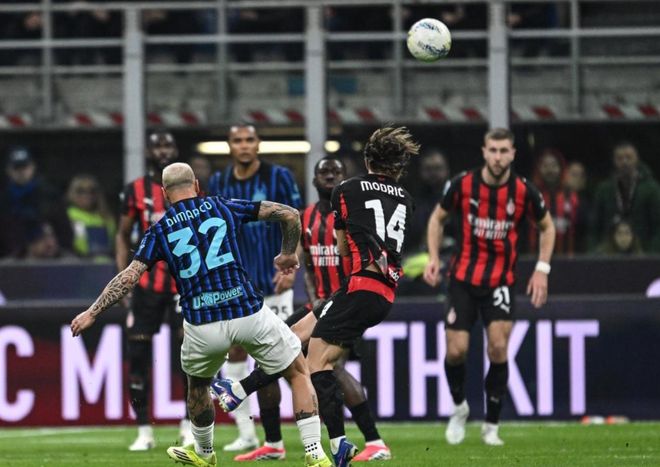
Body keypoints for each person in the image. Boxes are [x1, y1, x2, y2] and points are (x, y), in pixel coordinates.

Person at [71, 162, 332, 467]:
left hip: (202, 323)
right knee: (297, 371)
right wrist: (287, 253)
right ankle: (315, 453)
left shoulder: (160, 229)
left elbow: (129, 277)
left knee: (197, 385)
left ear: (164, 193)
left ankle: (205, 453)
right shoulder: (222, 206)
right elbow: (288, 214)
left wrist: (92, 312)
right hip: (247, 312)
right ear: (196, 184)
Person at [226, 157, 391, 462]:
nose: (329, 176)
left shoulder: (355, 217)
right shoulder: (307, 217)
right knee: (269, 351)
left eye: (336, 172)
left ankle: (374, 441)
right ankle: (274, 443)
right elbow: (303, 260)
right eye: (323, 172)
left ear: (344, 179)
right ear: (314, 181)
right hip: (317, 305)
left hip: (347, 304)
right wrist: (290, 273)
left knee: (328, 368)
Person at [423, 128, 555, 446]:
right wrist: (433, 256)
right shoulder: (463, 184)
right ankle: (459, 407)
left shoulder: (524, 191)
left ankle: (491, 426)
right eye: (493, 150)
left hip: (500, 281)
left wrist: (542, 269)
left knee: (497, 348)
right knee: (456, 351)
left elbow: (547, 227)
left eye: (503, 151)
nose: (498, 157)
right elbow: (437, 219)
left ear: (513, 154)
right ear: (484, 152)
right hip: (462, 279)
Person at [208, 123, 302, 452]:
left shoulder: (280, 177)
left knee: (282, 359)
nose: (244, 145)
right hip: (238, 286)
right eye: (238, 141)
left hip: (275, 283)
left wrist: (291, 266)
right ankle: (248, 433)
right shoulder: (218, 182)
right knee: (235, 352)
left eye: (250, 140)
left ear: (258, 144)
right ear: (229, 146)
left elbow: (296, 219)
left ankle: (305, 429)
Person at [115, 130, 192, 450]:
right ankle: (144, 429)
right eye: (157, 146)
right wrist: (124, 280)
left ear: (176, 149)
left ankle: (189, 425)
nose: (163, 151)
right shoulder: (135, 190)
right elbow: (123, 235)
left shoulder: (191, 187)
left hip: (183, 285)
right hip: (146, 285)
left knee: (189, 357)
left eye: (168, 145)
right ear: (148, 152)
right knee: (137, 356)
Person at [589, 141, 660, 253]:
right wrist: (594, 253)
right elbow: (594, 226)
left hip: (643, 252)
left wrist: (652, 254)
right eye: (620, 158)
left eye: (629, 157)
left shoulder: (651, 189)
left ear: (637, 159)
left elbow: (658, 225)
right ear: (614, 161)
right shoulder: (604, 189)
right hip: (609, 253)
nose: (625, 162)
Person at [527, 149, 582, 256]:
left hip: (569, 260)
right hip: (535, 260)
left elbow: (580, 230)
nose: (550, 170)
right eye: (545, 166)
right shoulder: (531, 197)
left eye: (554, 165)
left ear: (561, 168)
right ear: (539, 169)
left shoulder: (572, 198)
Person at [65, 174, 116, 260]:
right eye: (81, 191)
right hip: (81, 262)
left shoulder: (106, 216)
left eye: (92, 191)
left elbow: (114, 243)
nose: (87, 195)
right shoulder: (68, 215)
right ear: (72, 193)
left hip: (108, 263)